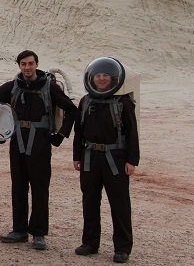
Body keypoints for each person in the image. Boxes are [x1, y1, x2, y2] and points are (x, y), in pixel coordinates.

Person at [0, 50, 76, 251]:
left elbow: (71, 109)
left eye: (30, 63)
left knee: (39, 187)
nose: (27, 68)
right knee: (18, 186)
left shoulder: (49, 87)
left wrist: (61, 135)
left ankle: (38, 233)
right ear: (19, 66)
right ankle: (19, 230)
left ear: (37, 64)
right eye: (23, 64)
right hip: (17, 142)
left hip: (40, 144)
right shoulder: (13, 87)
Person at [73, 57, 139, 264]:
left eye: (105, 75)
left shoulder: (123, 103)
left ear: (113, 78)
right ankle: (90, 242)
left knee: (119, 204)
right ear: (92, 78)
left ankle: (122, 248)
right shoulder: (86, 102)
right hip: (90, 157)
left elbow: (132, 134)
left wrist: (132, 160)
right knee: (90, 200)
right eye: (98, 75)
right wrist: (77, 156)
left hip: (116, 159)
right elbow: (79, 131)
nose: (101, 79)